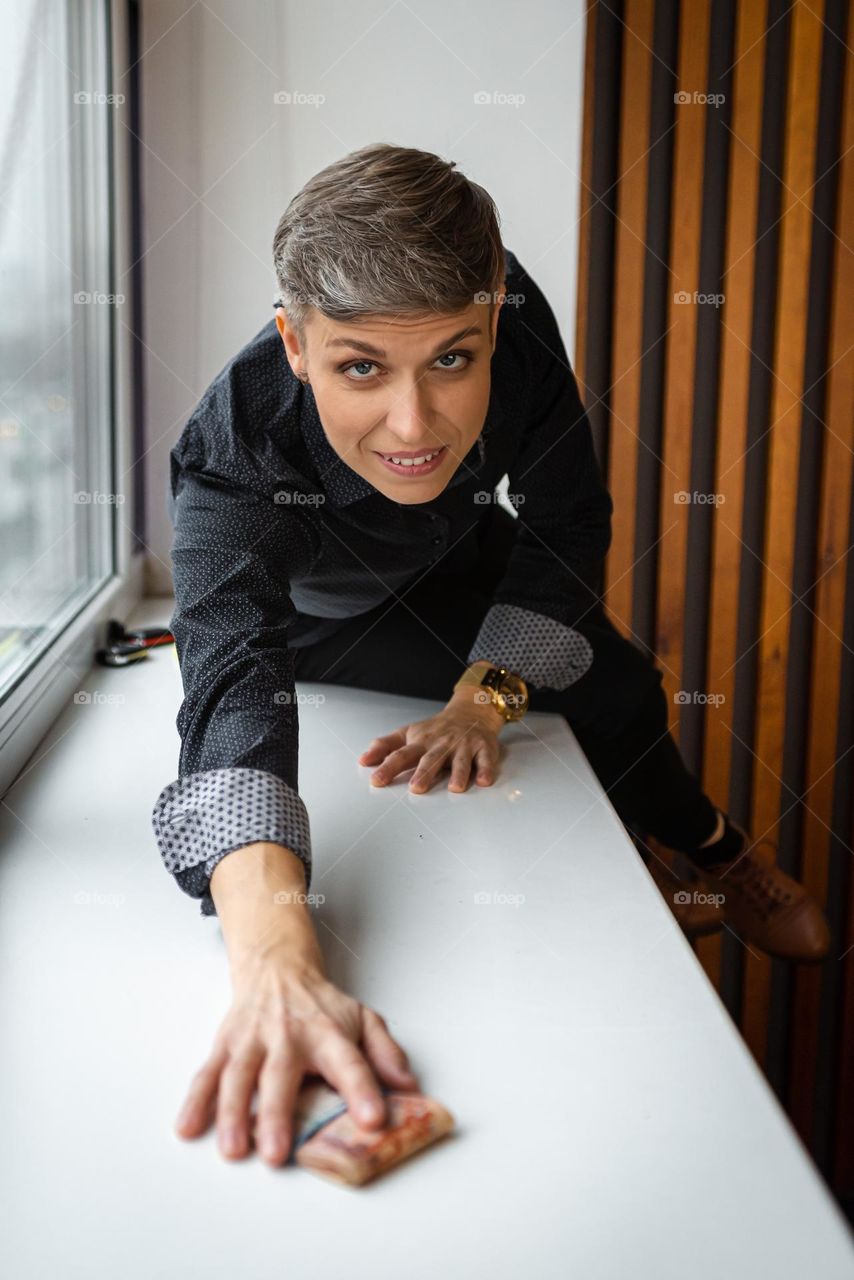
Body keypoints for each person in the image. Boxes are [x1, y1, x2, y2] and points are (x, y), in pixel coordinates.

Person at [151, 142, 831, 1171]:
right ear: (293, 343)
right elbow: (231, 706)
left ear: (494, 315)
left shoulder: (511, 312)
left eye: (451, 361)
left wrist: (485, 695)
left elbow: (567, 521)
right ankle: (644, 865)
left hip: (465, 549)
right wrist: (276, 964)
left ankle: (715, 851)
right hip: (331, 621)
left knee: (615, 678)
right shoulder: (233, 459)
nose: (413, 425)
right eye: (360, 367)